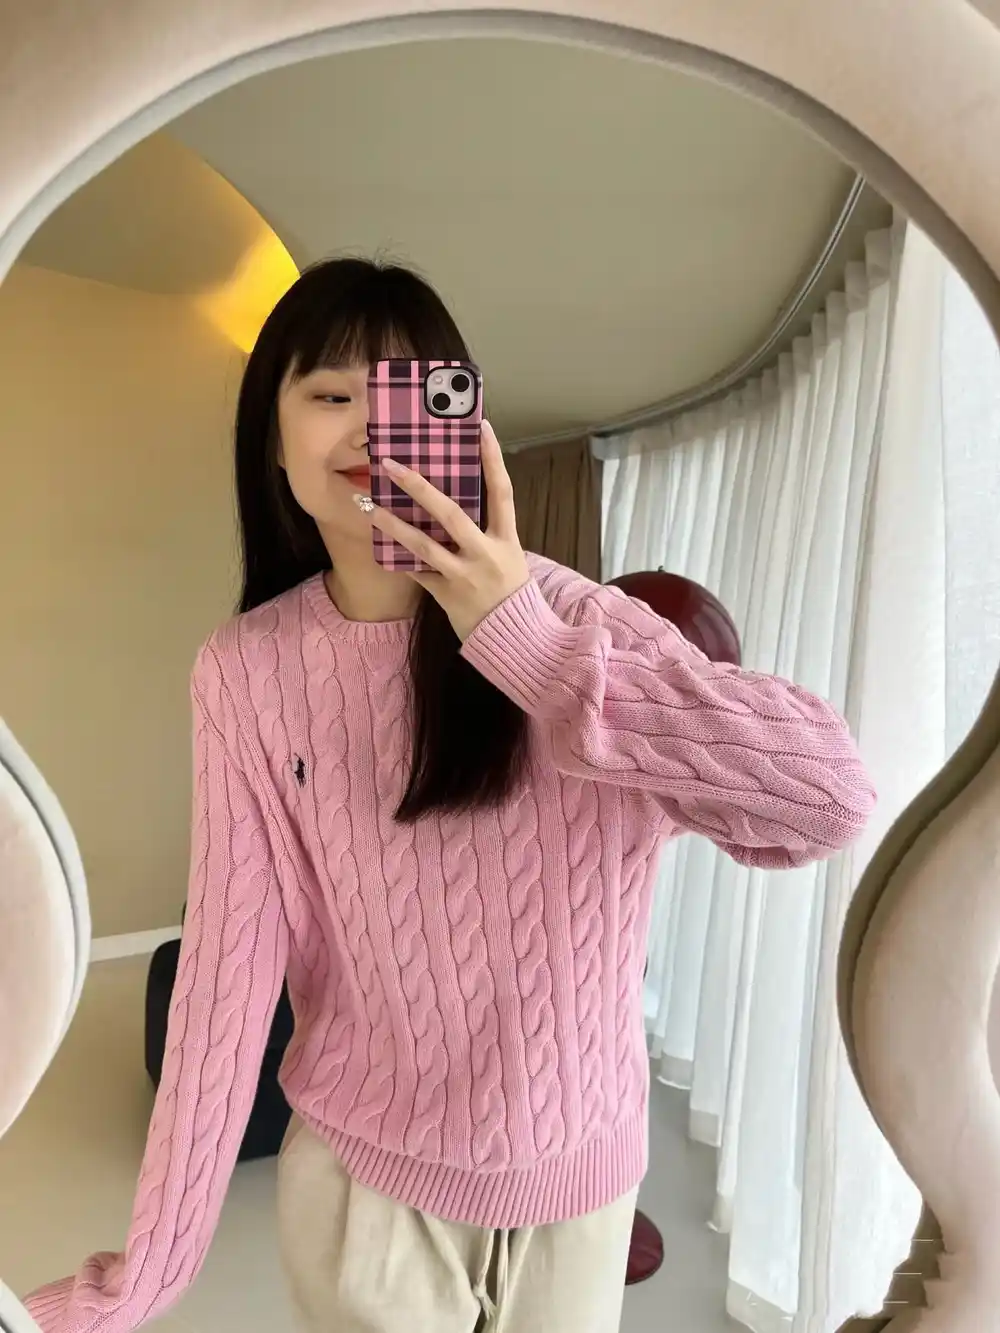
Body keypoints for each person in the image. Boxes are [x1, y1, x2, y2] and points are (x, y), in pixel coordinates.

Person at [23, 258, 876, 1333]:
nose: (369, 429)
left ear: (462, 423)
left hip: (578, 1186)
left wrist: (531, 646)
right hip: (361, 1188)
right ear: (270, 438)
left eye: (405, 393)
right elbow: (224, 980)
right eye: (331, 393)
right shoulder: (244, 673)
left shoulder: (578, 623)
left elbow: (828, 800)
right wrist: (140, 1276)